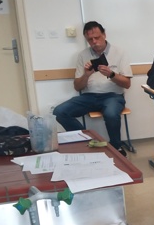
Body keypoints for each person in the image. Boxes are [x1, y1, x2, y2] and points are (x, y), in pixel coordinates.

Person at [53, 21, 132, 155]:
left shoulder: (120, 53)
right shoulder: (83, 55)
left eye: (97, 37)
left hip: (113, 96)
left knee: (111, 114)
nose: (94, 42)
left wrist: (111, 74)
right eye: (90, 39)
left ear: (104, 35)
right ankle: (87, 141)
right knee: (59, 112)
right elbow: (77, 87)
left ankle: (116, 147)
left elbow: (127, 84)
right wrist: (87, 75)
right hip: (88, 97)